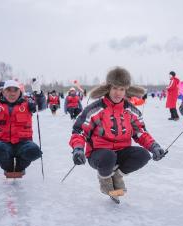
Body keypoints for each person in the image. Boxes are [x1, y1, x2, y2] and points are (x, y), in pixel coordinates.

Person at [69, 67, 166, 198]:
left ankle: (117, 175)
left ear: (126, 90)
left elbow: (141, 132)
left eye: (122, 89)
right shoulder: (95, 109)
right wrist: (78, 149)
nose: (118, 93)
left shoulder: (131, 111)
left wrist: (154, 146)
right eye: (115, 88)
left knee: (143, 155)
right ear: (108, 88)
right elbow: (79, 130)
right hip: (99, 154)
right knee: (109, 156)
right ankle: (105, 178)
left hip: (121, 151)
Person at [0, 80, 46, 178]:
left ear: (20, 92)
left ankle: (20, 167)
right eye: (9, 90)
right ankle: (8, 167)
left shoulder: (27, 102)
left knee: (34, 151)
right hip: (3, 141)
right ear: (3, 92)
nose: (12, 93)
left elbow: (41, 106)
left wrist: (38, 94)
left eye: (15, 90)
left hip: (23, 142)